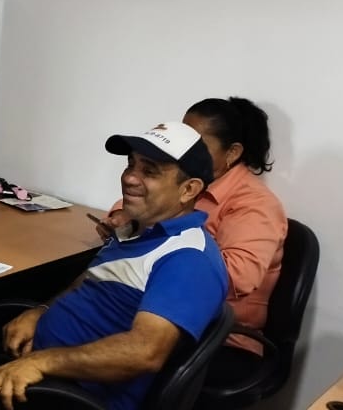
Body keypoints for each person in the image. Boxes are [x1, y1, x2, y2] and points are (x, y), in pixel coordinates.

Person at [0, 122, 228, 410]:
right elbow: (88, 282)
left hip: (70, 393)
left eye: (150, 171)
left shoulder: (188, 259)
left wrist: (42, 363)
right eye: (131, 164)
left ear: (189, 189)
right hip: (37, 361)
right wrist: (40, 311)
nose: (130, 177)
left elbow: (144, 352)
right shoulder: (138, 230)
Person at [98, 97, 285, 369]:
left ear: (232, 153)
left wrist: (161, 244)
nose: (185, 148)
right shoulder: (186, 179)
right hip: (147, 309)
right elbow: (137, 207)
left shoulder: (255, 204)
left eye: (197, 143)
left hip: (216, 338)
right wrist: (123, 218)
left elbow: (238, 276)